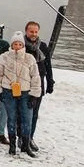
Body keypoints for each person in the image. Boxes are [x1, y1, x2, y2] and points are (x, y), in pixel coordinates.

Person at [0, 31, 41, 157]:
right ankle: (12, 145)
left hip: (25, 93)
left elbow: (35, 77)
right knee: (11, 119)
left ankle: (25, 145)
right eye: (15, 44)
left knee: (27, 119)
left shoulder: (29, 58)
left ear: (23, 45)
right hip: (8, 91)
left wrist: (34, 95)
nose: (17, 46)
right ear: (12, 45)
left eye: (20, 44)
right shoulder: (4, 57)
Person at [24, 21, 54, 152]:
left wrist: (50, 81)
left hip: (39, 82)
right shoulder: (21, 45)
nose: (34, 34)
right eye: (31, 31)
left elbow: (48, 65)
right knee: (23, 112)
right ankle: (21, 137)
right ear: (26, 31)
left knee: (34, 113)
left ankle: (30, 137)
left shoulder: (43, 46)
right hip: (24, 82)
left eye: (36, 31)